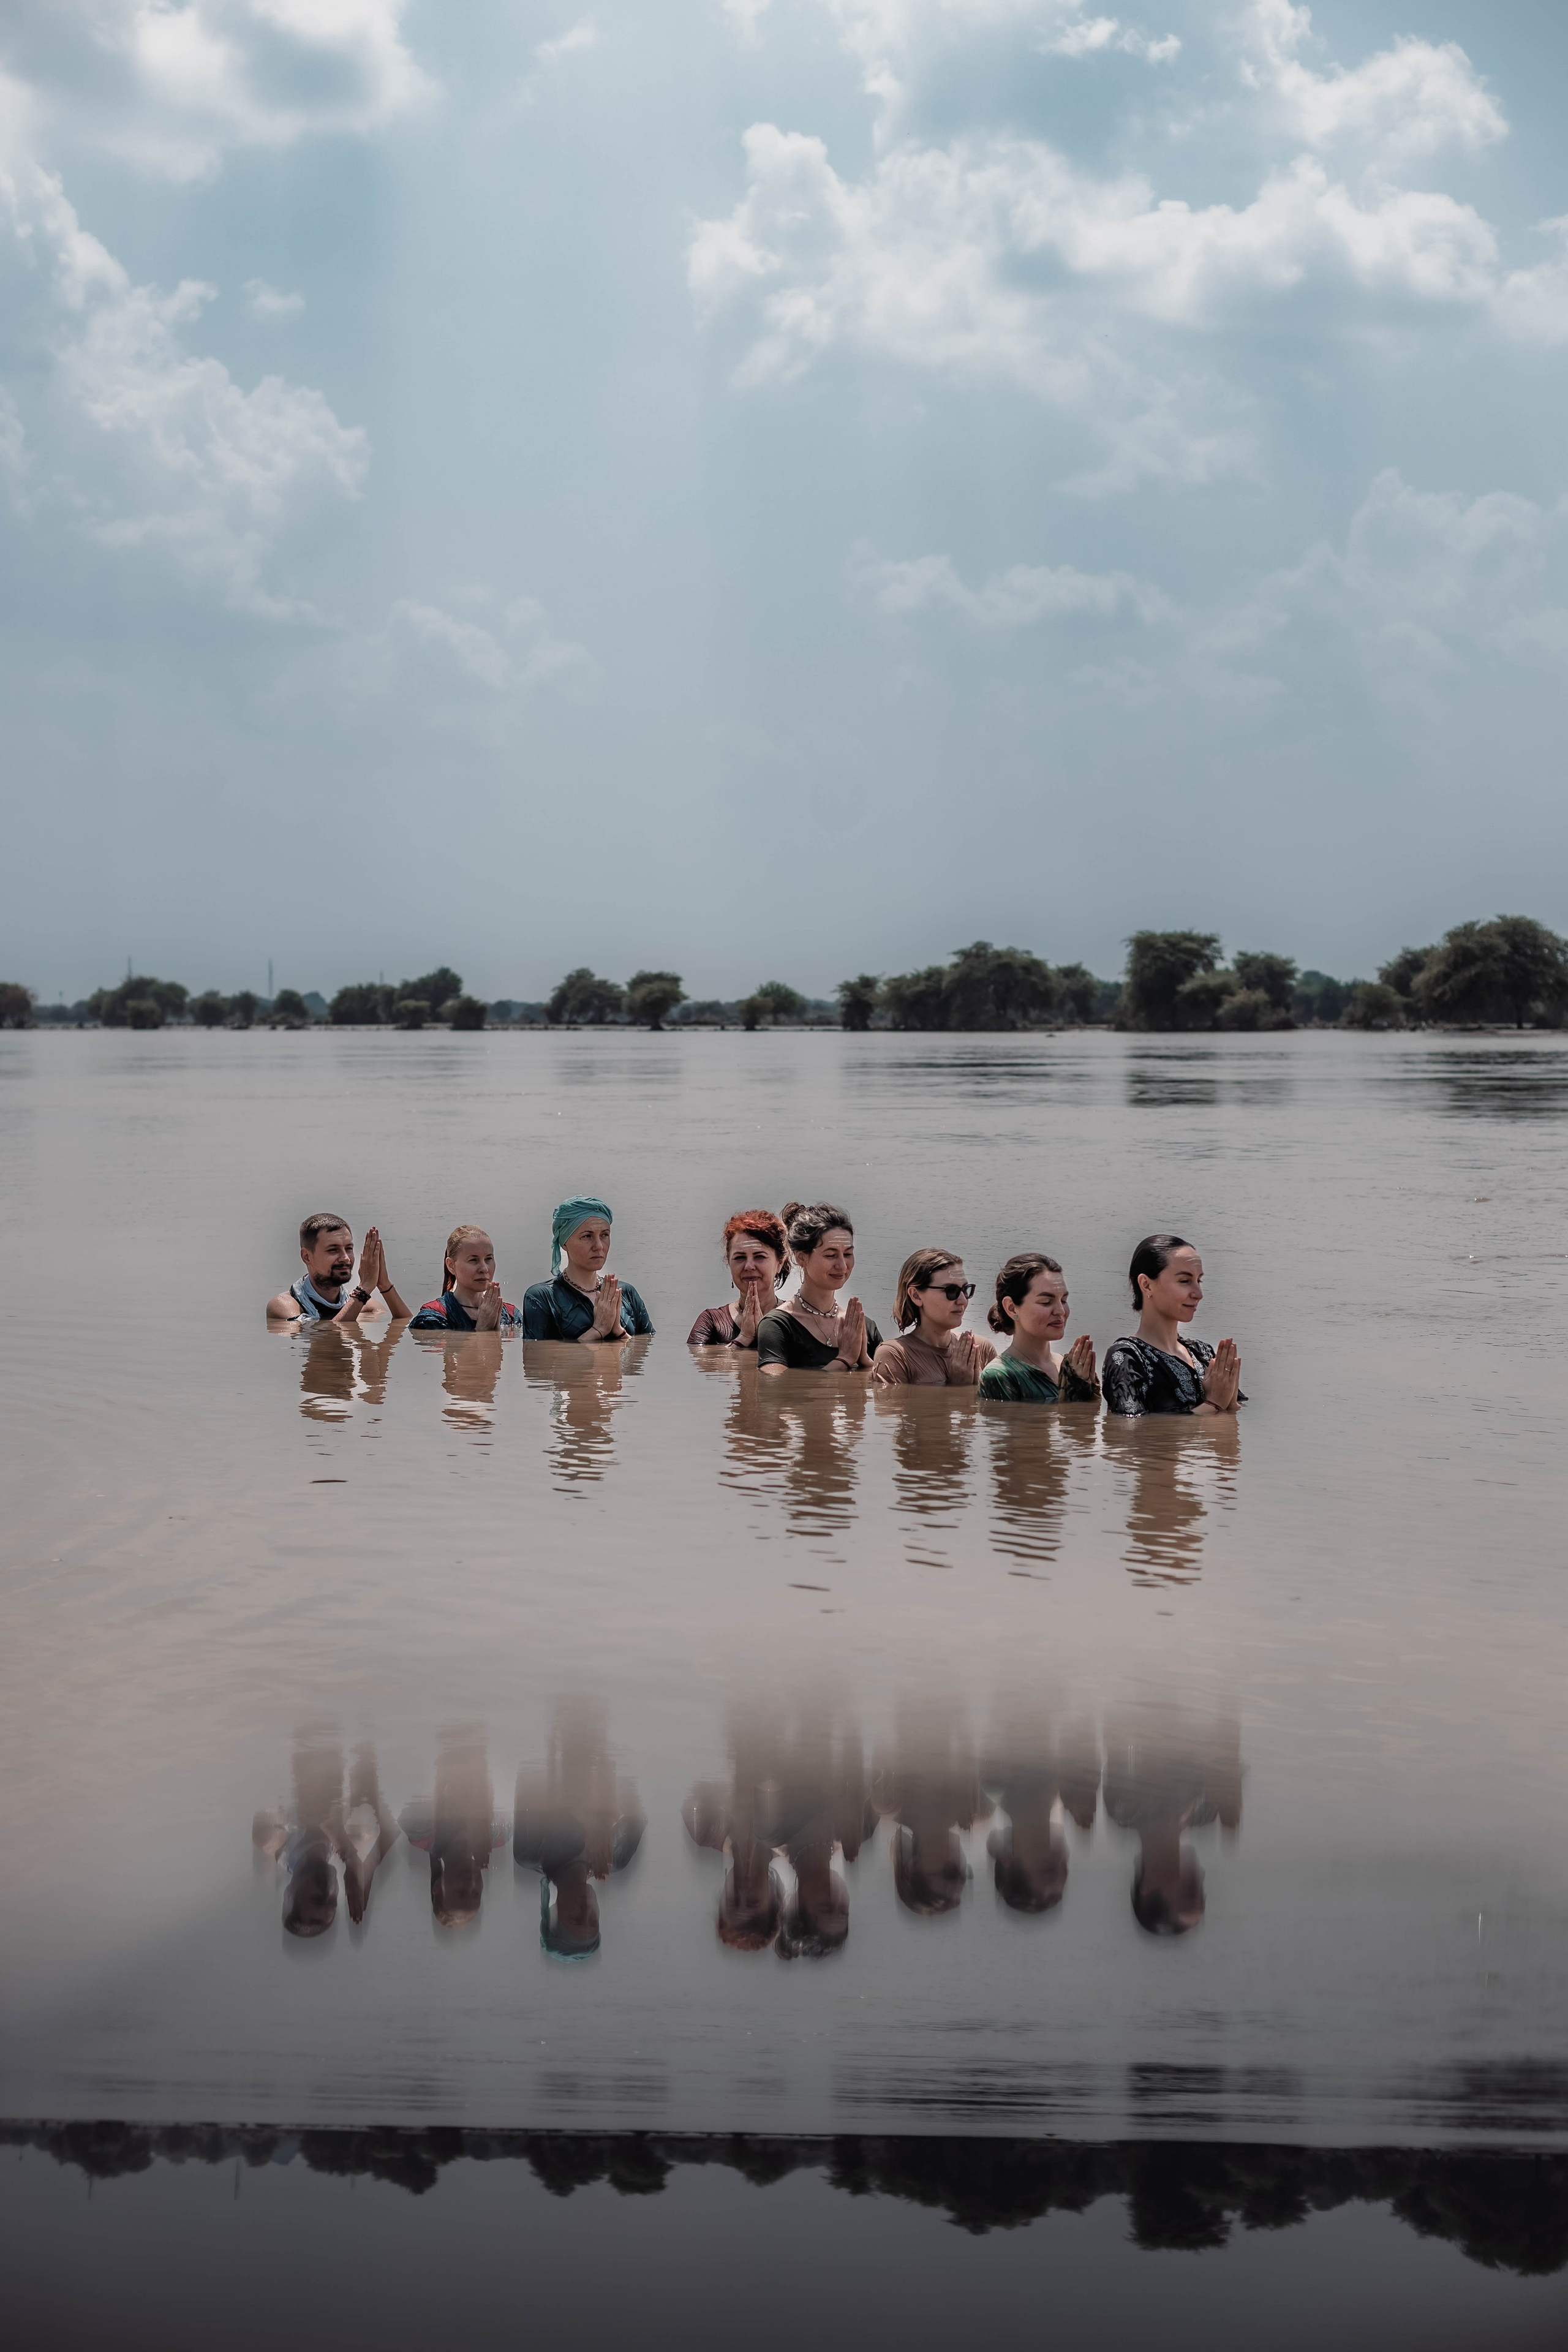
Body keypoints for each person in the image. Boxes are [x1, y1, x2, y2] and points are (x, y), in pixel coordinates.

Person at [1102, 1236, 1243, 1418]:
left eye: (1199, 1281)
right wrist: (1213, 1403)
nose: (1198, 1294)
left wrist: (1230, 1401)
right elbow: (1130, 1432)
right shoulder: (1126, 1358)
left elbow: (1237, 1415)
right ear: (1146, 1285)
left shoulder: (1203, 1353)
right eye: (1185, 1281)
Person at [756, 1202, 881, 1374]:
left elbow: (891, 1388)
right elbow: (775, 1386)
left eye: (848, 1254)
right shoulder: (777, 1326)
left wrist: (866, 1362)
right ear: (801, 1258)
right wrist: (844, 1359)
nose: (843, 1266)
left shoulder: (863, 1326)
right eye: (831, 1255)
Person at [522, 1197, 654, 1343]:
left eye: (605, 1235)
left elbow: (647, 1352)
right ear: (564, 1243)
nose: (599, 1246)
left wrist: (618, 1330)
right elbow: (535, 1359)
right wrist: (599, 1330)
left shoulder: (627, 1294)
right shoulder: (542, 1298)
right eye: (587, 1236)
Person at [978, 1253, 1101, 1404]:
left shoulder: (1069, 1366)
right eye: (1046, 1302)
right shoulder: (999, 1376)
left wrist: (1085, 1386)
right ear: (1012, 1308)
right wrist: (1073, 1395)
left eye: (1064, 1300)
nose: (1061, 1311)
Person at [872, 1248, 995, 1385]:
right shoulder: (895, 1355)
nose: (963, 1300)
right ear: (916, 1295)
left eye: (966, 1290)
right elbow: (894, 1406)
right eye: (951, 1291)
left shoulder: (980, 1348)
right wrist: (958, 1388)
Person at [266, 1213, 412, 1325]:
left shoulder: (365, 1305)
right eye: (333, 1250)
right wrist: (363, 1290)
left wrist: (384, 1284)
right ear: (307, 1257)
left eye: (349, 1249)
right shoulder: (285, 1305)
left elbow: (406, 1327)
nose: (346, 1258)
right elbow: (329, 1339)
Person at [687, 1210, 791, 1348]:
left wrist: (766, 1335)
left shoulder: (795, 1320)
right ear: (729, 1263)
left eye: (759, 1256)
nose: (749, 1266)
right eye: (740, 1258)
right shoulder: (712, 1321)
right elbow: (700, 1362)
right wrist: (744, 1338)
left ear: (780, 1263)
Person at [409, 1226, 525, 1330]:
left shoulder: (511, 1315)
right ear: (451, 1265)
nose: (484, 1269)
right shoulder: (433, 1317)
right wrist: (483, 1328)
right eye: (473, 1260)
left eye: (489, 1259)